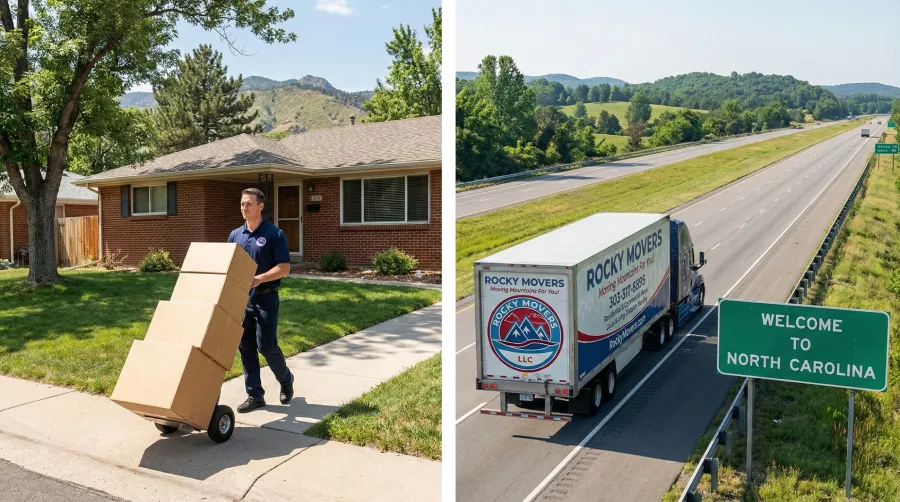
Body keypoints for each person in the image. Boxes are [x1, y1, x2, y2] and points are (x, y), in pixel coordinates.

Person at [227, 187, 294, 413]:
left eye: (249, 204)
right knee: (245, 347)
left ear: (261, 206)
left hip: (266, 299)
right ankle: (255, 395)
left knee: (266, 345)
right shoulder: (235, 235)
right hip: (241, 300)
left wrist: (259, 279)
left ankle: (285, 378)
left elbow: (284, 267)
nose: (244, 208)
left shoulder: (274, 234)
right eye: (242, 204)